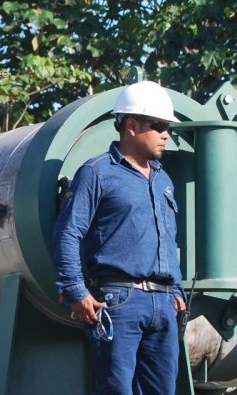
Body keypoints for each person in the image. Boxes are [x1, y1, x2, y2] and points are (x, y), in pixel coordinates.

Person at [52, 80, 188, 395]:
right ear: (131, 126)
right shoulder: (97, 173)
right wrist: (76, 291)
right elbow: (69, 231)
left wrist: (176, 291)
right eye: (159, 126)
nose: (166, 134)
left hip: (163, 303)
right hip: (119, 301)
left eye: (167, 127)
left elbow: (167, 240)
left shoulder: (163, 180)